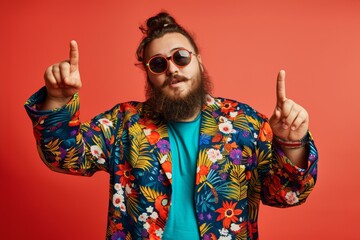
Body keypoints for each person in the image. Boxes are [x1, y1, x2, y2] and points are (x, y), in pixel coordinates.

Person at [25, 12, 318, 240]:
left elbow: (286, 195)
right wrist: (57, 99)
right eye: (158, 64)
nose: (172, 69)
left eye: (180, 57)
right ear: (149, 75)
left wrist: (292, 144)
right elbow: (64, 156)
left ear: (199, 63)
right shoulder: (124, 123)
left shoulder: (244, 122)